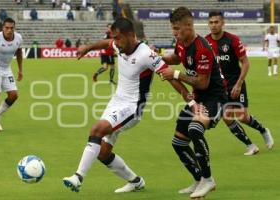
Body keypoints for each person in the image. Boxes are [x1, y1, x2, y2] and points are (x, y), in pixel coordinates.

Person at [62, 17, 189, 194]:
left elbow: (168, 74)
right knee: (103, 153)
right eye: (114, 37)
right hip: (116, 103)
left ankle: (77, 177)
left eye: (118, 37)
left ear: (131, 35)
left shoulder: (146, 54)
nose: (115, 42)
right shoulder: (119, 44)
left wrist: (189, 99)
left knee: (96, 130)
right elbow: (107, 43)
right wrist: (88, 47)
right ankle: (136, 181)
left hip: (132, 108)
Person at [159, 7, 227, 198]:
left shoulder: (202, 48)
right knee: (178, 142)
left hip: (215, 98)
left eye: (177, 29)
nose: (174, 33)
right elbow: (176, 57)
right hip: (198, 98)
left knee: (195, 129)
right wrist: (158, 58)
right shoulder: (181, 42)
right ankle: (198, 180)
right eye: (173, 29)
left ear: (189, 26)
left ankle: (208, 179)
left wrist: (176, 74)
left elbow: (203, 83)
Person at [205, 11, 274, 155]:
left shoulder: (232, 40)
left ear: (223, 23)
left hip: (236, 83)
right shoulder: (205, 42)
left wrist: (239, 83)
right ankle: (250, 145)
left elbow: (245, 63)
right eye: (211, 22)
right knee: (227, 117)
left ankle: (263, 130)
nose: (213, 25)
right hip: (219, 87)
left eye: (216, 22)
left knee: (242, 116)